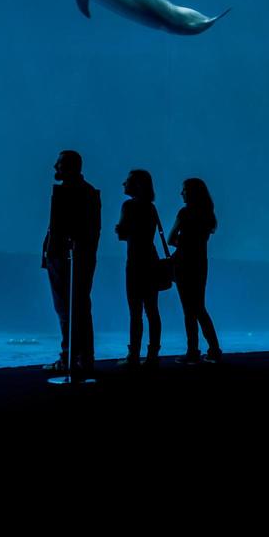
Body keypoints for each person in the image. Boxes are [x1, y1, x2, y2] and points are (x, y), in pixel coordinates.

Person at [41, 150, 100, 377]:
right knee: (81, 308)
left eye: (58, 164)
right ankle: (83, 358)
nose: (55, 168)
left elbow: (62, 228)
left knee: (67, 308)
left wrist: (53, 252)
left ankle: (70, 358)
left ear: (68, 167)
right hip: (77, 258)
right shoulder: (89, 193)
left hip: (66, 259)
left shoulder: (70, 193)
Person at [170, 178, 222, 364]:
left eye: (184, 190)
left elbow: (170, 238)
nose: (181, 193)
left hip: (183, 263)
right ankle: (214, 349)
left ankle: (193, 350)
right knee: (199, 307)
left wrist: (182, 243)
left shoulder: (184, 213)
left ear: (191, 192)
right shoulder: (207, 215)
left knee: (188, 310)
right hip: (200, 263)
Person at [114, 169, 163, 368]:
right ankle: (152, 354)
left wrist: (120, 229)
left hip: (135, 263)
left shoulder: (129, 206)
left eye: (127, 181)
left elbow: (122, 233)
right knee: (152, 310)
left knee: (135, 311)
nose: (123, 184)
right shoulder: (151, 208)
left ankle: (133, 354)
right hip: (151, 260)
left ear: (135, 185)